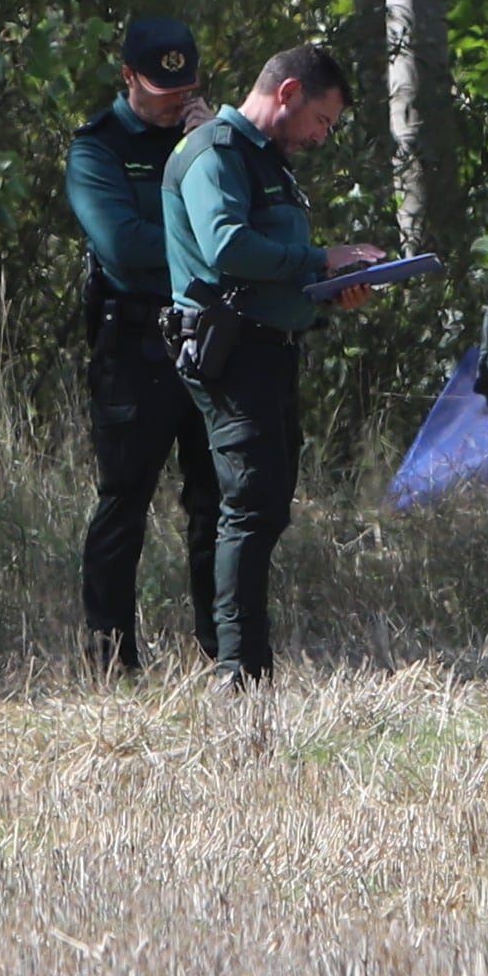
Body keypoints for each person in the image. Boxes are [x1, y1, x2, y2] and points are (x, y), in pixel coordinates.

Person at [162, 43, 382, 682]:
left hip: (273, 349)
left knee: (267, 504)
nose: (322, 136)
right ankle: (240, 670)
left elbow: (274, 262)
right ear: (287, 93)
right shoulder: (216, 154)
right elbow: (228, 248)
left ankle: (243, 659)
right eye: (322, 120)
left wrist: (334, 285)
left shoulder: (268, 163)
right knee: (250, 508)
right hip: (233, 355)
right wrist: (322, 261)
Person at [64, 13, 221, 676]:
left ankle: (226, 653)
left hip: (214, 339)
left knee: (217, 501)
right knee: (124, 500)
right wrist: (205, 237)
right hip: (135, 346)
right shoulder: (97, 148)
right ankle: (111, 661)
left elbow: (246, 222)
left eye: (186, 86)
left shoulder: (212, 136)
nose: (176, 98)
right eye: (161, 87)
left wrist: (213, 148)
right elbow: (125, 248)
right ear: (128, 77)